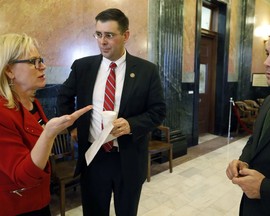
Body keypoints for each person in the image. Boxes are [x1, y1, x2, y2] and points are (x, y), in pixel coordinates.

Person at [57, 8, 166, 216]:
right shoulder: (83, 67)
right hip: (93, 157)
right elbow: (63, 97)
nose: (102, 41)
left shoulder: (147, 71)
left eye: (109, 35)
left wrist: (131, 125)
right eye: (98, 34)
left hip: (129, 159)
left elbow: (158, 111)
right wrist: (72, 126)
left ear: (125, 36)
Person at [0, 33, 92, 216]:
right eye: (33, 61)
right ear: (9, 70)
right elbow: (22, 176)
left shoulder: (32, 102)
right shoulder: (3, 113)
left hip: (39, 198)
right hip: (18, 206)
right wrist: (49, 134)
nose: (43, 66)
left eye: (40, 60)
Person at [226, 19, 270, 216]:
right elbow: (256, 141)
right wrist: (243, 161)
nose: (266, 62)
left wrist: (263, 189)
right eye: (268, 53)